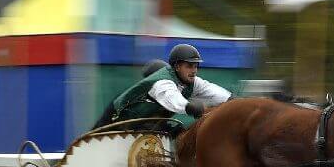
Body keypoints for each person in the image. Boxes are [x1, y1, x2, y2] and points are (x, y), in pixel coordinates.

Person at [96, 43, 232, 131]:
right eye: (189, 66)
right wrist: (190, 107)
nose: (194, 70)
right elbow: (172, 98)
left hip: (144, 125)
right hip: (116, 120)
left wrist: (233, 100)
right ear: (177, 66)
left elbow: (211, 90)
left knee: (177, 132)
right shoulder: (162, 83)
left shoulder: (192, 81)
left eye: (196, 66)